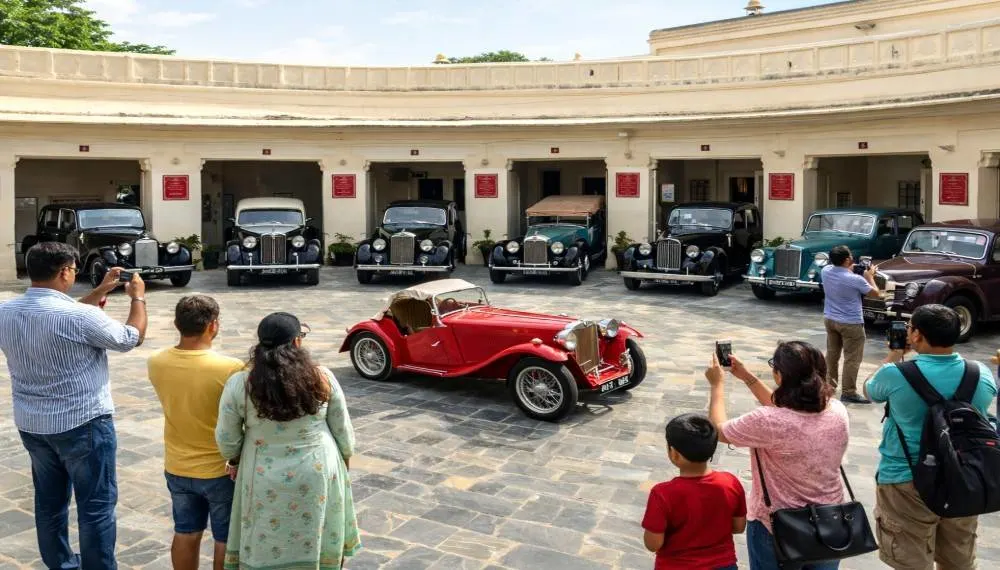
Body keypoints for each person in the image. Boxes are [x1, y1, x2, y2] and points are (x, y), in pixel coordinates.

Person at [0, 242, 147, 569]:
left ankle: (62, 565)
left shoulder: (5, 312)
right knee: (96, 508)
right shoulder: (80, 317)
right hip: (83, 424)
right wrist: (137, 296)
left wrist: (100, 290)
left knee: (49, 505)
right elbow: (130, 338)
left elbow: (66, 317)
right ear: (66, 271)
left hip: (33, 425)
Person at [215, 312, 361, 569]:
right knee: (317, 529)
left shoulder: (241, 384)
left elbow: (227, 438)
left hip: (261, 473)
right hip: (317, 468)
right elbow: (342, 430)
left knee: (265, 534)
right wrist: (345, 458)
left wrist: (235, 458)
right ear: (296, 343)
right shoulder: (322, 378)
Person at [864, 304, 997, 570]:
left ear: (917, 335)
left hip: (905, 478)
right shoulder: (980, 373)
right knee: (959, 561)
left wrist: (894, 353)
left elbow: (870, 391)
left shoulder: (895, 374)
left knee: (911, 563)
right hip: (963, 479)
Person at [706, 341, 849, 570]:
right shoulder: (836, 409)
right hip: (829, 521)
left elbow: (718, 430)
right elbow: (787, 409)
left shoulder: (768, 422)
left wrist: (717, 384)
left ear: (780, 375)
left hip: (778, 526)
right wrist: (747, 377)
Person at [148, 296, 245, 570]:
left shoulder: (156, 362)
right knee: (225, 538)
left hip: (177, 466)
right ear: (213, 325)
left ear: (176, 323)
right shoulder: (231, 368)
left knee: (186, 530)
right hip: (219, 469)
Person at [641, 413, 746, 570]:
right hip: (723, 564)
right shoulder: (730, 482)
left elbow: (653, 543)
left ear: (674, 453)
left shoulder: (662, 493)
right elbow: (738, 527)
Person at [822, 245, 882, 404]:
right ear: (847, 259)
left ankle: (829, 385)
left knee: (832, 355)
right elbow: (876, 294)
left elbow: (839, 268)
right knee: (852, 359)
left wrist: (853, 267)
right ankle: (848, 392)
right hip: (851, 323)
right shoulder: (855, 279)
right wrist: (870, 276)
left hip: (830, 320)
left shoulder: (825, 271)